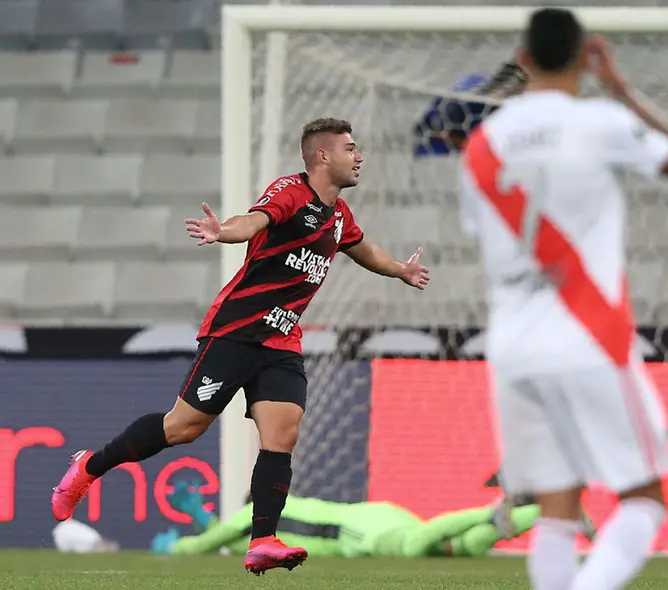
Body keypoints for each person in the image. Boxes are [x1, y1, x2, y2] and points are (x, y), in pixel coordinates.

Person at [51, 117, 432, 575]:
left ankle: (263, 540)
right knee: (183, 428)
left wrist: (401, 270)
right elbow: (253, 221)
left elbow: (364, 249)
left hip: (282, 339)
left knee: (282, 433)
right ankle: (89, 466)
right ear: (323, 155)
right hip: (237, 330)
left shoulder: (339, 216)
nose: (359, 157)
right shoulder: (291, 192)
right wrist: (222, 232)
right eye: (350, 149)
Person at [458, 8, 668, 590]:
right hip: (589, 336)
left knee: (557, 512)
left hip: (513, 347)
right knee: (645, 501)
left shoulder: (482, 144)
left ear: (522, 59)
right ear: (585, 58)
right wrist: (621, 89)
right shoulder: (599, 121)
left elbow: (480, 231)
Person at [150, 481, 544, 559]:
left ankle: (493, 512)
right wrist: (199, 514)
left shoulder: (254, 516)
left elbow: (210, 542)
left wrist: (175, 547)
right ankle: (546, 513)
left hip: (356, 532)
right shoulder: (266, 523)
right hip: (372, 514)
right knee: (452, 549)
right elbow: (229, 540)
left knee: (413, 547)